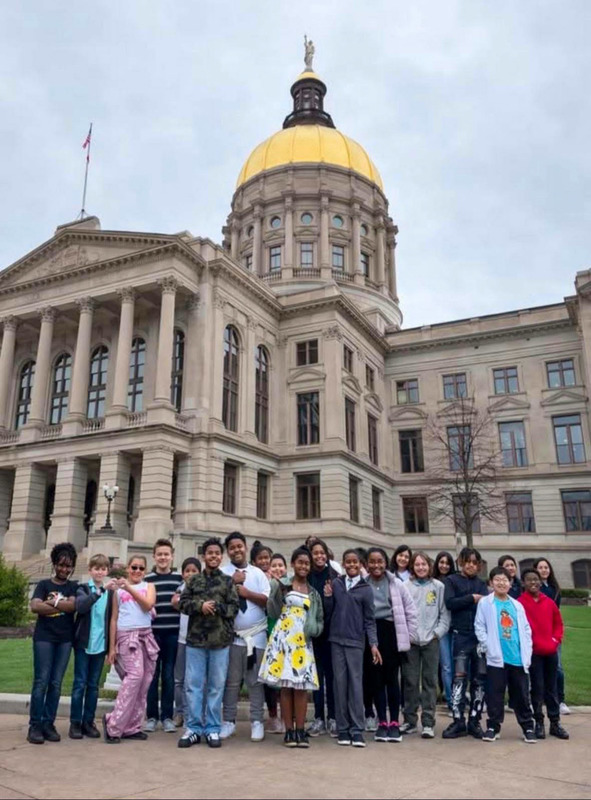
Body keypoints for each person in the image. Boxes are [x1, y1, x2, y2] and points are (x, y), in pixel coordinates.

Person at [177, 538, 240, 749]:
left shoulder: (227, 581)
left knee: (216, 686)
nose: (213, 556)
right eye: (209, 553)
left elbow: (234, 608)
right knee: (193, 686)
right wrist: (200, 606)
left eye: (217, 553)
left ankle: (213, 728)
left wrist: (217, 608)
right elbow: (183, 604)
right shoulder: (193, 581)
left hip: (220, 641)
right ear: (204, 557)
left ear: (221, 557)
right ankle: (193, 727)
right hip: (195, 640)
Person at [259, 546, 323, 748]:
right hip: (283, 639)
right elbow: (272, 610)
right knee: (286, 687)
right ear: (293, 564)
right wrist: (274, 590)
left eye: (307, 563)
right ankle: (289, 731)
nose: (303, 566)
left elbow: (320, 619)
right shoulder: (283, 585)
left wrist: (315, 628)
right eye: (300, 562)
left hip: (303, 642)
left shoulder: (313, 593)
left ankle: (301, 730)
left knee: (301, 688)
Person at [324, 549, 380, 748]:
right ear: (343, 564)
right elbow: (329, 611)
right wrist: (329, 597)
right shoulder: (337, 584)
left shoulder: (366, 589)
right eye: (348, 562)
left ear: (361, 564)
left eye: (355, 562)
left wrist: (373, 644)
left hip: (356, 642)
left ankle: (357, 730)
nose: (352, 565)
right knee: (340, 685)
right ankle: (343, 729)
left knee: (355, 686)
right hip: (336, 641)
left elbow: (370, 620)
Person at [475, 566, 536, 743]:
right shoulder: (486, 603)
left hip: (517, 657)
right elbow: (479, 626)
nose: (501, 583)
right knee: (495, 694)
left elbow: (525, 629)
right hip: (496, 658)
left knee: (521, 694)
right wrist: (488, 646)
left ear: (510, 583)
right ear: (491, 583)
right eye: (497, 580)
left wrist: (528, 650)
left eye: (505, 580)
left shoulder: (517, 605)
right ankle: (493, 726)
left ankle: (527, 726)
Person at [220, 531, 271, 742]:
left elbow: (266, 600)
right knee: (231, 681)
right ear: (228, 551)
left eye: (239, 546)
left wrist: (246, 593)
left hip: (256, 637)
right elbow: (217, 599)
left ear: (246, 547)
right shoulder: (223, 573)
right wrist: (232, 583)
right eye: (232, 547)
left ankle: (257, 720)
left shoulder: (258, 573)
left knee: (255, 681)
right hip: (233, 637)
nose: (236, 550)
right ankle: (229, 721)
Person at [102, 555, 158, 743]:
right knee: (134, 677)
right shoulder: (118, 591)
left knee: (145, 682)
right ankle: (113, 724)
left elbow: (148, 605)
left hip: (146, 635)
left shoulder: (148, 587)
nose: (137, 571)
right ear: (127, 568)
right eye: (134, 567)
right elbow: (114, 619)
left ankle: (132, 727)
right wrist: (112, 648)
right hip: (127, 636)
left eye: (141, 568)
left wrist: (130, 588)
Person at [365, 547, 418, 743]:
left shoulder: (396, 584)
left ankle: (394, 721)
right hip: (372, 636)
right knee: (376, 680)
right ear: (367, 564)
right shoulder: (363, 585)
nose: (376, 565)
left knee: (392, 680)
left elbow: (410, 611)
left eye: (379, 561)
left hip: (392, 633)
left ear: (386, 563)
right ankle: (382, 723)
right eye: (372, 561)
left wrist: (408, 637)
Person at [27, 543, 78, 745]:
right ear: (54, 564)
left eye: (68, 566)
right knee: (41, 682)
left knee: (56, 684)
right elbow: (34, 607)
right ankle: (35, 725)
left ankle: (49, 723)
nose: (64, 569)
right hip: (44, 639)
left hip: (65, 640)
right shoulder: (43, 584)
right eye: (61, 565)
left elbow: (72, 605)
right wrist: (60, 606)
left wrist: (50, 603)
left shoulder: (73, 586)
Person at [401, 552, 450, 739]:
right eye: (417, 564)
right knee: (410, 681)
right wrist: (407, 634)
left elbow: (444, 614)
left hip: (431, 640)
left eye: (424, 564)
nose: (421, 568)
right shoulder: (405, 587)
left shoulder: (438, 587)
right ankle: (410, 720)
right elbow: (401, 613)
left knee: (430, 681)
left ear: (429, 566)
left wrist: (437, 633)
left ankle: (428, 722)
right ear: (412, 567)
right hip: (411, 642)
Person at [442, 547, 488, 739]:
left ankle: (475, 721)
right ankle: (458, 720)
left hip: (478, 638)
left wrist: (477, 599)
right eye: (467, 561)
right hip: (460, 636)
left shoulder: (481, 583)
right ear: (460, 562)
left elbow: (486, 604)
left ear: (478, 565)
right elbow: (450, 603)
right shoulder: (451, 580)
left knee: (479, 679)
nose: (470, 565)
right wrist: (471, 599)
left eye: (474, 562)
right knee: (459, 679)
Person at [70, 553, 117, 739]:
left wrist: (111, 648)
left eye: (103, 568)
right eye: (96, 568)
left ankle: (88, 722)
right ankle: (75, 722)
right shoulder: (83, 588)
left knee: (93, 686)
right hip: (83, 643)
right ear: (90, 570)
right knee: (79, 684)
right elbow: (81, 606)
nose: (100, 571)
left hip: (100, 645)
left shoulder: (111, 593)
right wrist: (100, 590)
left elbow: (112, 619)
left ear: (107, 570)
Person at [518, 570, 569, 740]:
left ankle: (555, 722)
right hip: (534, 653)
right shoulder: (519, 604)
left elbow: (558, 623)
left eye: (536, 579)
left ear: (540, 582)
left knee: (551, 688)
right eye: (529, 580)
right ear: (523, 583)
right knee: (537, 688)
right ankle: (538, 722)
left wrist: (555, 640)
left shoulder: (549, 602)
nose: (533, 582)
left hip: (550, 651)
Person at [144, 539, 183, 733]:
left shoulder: (178, 579)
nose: (163, 558)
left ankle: (167, 716)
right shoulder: (147, 580)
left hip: (172, 633)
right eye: (159, 554)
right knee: (152, 675)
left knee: (169, 675)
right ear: (154, 556)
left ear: (172, 556)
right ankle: (151, 716)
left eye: (166, 554)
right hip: (152, 633)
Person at [307, 538, 339, 737]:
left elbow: (338, 606)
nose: (319, 556)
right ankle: (319, 717)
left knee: (332, 676)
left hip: (331, 633)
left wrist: (329, 598)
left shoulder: (334, 577)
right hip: (313, 635)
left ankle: (334, 717)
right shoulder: (307, 577)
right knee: (316, 677)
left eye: (322, 553)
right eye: (315, 553)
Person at [250, 541, 283, 735]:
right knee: (256, 677)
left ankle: (274, 715)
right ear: (254, 561)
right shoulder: (252, 578)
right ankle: (262, 716)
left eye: (267, 559)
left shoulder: (277, 581)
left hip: (274, 633)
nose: (264, 562)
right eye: (260, 558)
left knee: (273, 678)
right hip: (255, 634)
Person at [534, 557, 569, 715]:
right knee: (539, 669)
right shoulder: (534, 588)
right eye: (540, 567)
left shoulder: (554, 588)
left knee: (558, 668)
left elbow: (557, 613)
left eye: (546, 567)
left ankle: (560, 700)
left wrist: (558, 634)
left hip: (552, 634)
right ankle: (541, 700)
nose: (544, 570)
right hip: (538, 635)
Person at [171, 557, 201, 728]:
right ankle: (179, 712)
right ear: (182, 574)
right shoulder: (179, 589)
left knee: (195, 680)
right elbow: (175, 603)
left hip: (197, 640)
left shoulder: (202, 589)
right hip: (182, 638)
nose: (190, 574)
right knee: (179, 679)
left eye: (193, 570)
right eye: (187, 571)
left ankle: (193, 713)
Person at [433, 551, 456, 714]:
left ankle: (459, 696)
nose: (444, 566)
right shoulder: (432, 582)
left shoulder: (454, 581)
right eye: (441, 562)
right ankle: (451, 700)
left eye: (447, 563)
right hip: (441, 629)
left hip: (455, 627)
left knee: (458, 666)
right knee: (446, 666)